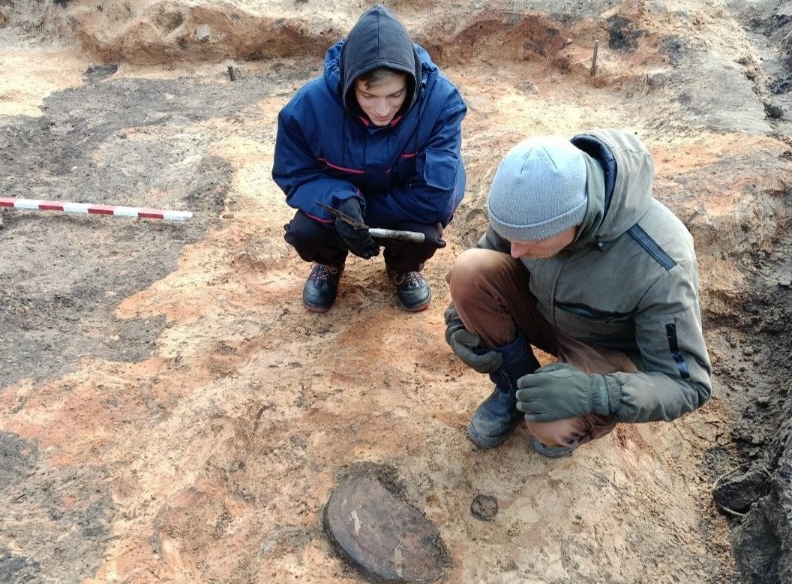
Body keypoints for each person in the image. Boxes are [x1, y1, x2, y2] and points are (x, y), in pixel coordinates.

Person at [444, 131, 712, 458]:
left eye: (530, 241)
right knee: (469, 270)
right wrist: (459, 319)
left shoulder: (661, 264)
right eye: (509, 235)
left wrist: (595, 393)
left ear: (575, 219)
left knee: (552, 426)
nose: (514, 251)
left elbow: (688, 385)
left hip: (603, 348)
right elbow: (490, 254)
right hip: (543, 312)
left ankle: (565, 411)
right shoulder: (534, 204)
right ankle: (515, 389)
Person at [272, 5, 467, 313]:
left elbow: (436, 198)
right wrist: (340, 201)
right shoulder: (308, 106)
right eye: (368, 96)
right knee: (305, 233)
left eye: (395, 95)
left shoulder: (441, 103)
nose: (382, 110)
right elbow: (295, 175)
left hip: (408, 203)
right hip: (348, 201)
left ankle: (403, 266)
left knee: (425, 235)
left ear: (411, 82)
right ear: (350, 83)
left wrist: (354, 215)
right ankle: (329, 264)